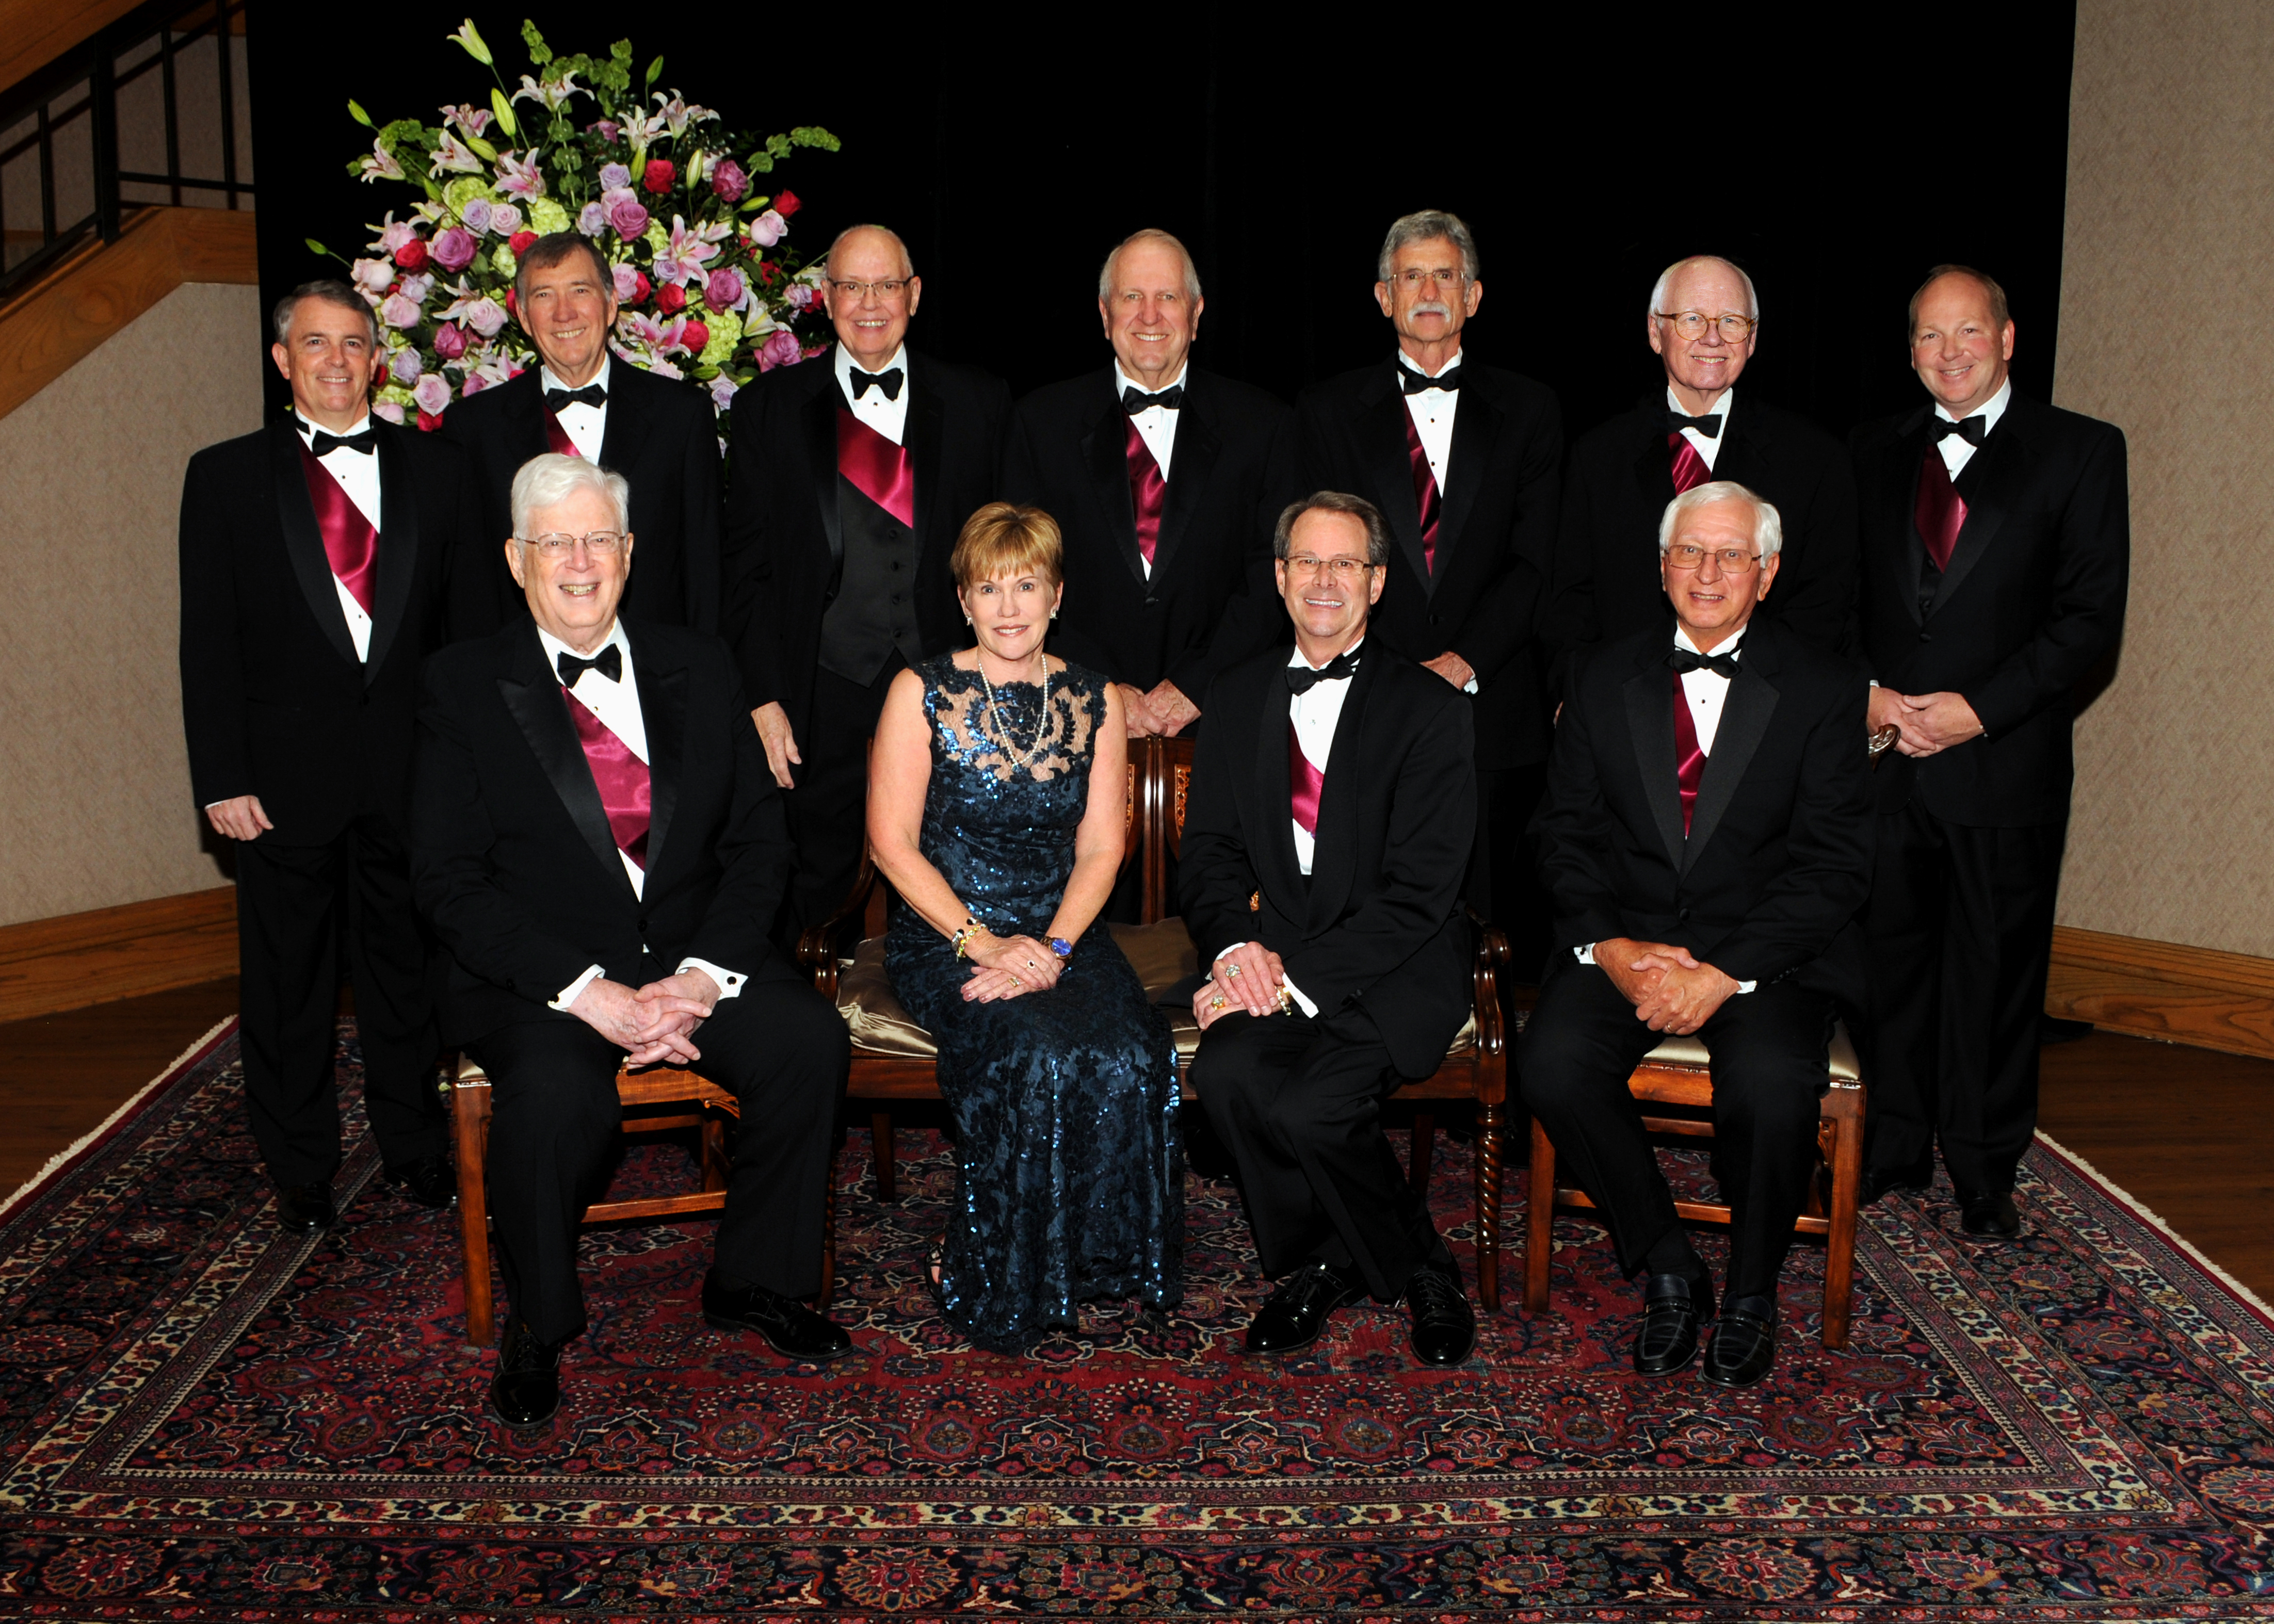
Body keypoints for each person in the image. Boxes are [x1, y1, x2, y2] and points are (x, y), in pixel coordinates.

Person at [410, 453, 851, 1428]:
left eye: (597, 538)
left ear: (630, 552)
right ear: (518, 560)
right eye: (555, 542)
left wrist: (701, 977)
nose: (579, 561)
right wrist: (589, 991)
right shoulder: (461, 683)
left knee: (807, 1043)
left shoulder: (702, 661)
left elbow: (757, 843)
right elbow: (446, 878)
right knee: (560, 1094)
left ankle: (753, 1278)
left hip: (695, 953)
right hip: (543, 976)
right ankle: (541, 1323)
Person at [1520, 481, 1872, 1387]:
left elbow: (1834, 865)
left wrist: (1725, 972)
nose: (1706, 573)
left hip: (1761, 953)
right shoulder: (1599, 672)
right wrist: (1610, 945)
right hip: (1630, 940)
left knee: (1765, 1078)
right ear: (1661, 565)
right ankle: (1668, 1260)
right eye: (1688, 552)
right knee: (1551, 1060)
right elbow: (1560, 832)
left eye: (1730, 556)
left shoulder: (1825, 685)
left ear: (1767, 573)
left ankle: (1751, 1290)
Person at [179, 278, 483, 1232]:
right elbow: (208, 638)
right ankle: (300, 1161)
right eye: (316, 345)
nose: (337, 362)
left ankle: (414, 1146)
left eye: (353, 344)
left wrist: (468, 768)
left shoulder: (438, 472)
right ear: (283, 362)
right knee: (287, 983)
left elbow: (464, 634)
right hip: (277, 782)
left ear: (375, 358)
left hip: (409, 773)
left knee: (404, 975)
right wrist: (221, 774)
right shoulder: (223, 476)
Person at [1852, 266, 2129, 1238]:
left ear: (2007, 338)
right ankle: (1891, 1146)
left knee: (1995, 970)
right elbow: (1831, 605)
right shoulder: (1872, 452)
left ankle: (1981, 1163)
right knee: (1888, 966)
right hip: (1886, 760)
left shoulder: (2082, 451)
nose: (1949, 352)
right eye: (1929, 336)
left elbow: (2087, 619)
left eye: (1967, 332)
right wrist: (1871, 698)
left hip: (2001, 760)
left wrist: (1978, 710)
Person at [867, 502, 1181, 1351]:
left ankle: (1091, 1260)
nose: (1009, 605)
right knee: (1030, 1050)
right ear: (963, 600)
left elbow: (1103, 848)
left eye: (1027, 585)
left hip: (1065, 930)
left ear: (1056, 594)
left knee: (1132, 1049)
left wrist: (1053, 946)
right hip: (946, 932)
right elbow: (892, 847)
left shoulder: (1093, 699)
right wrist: (983, 941)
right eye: (989, 587)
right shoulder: (919, 691)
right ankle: (990, 1263)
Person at [1182, 491, 1479, 1367]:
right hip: (1279, 958)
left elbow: (1421, 892)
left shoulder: (1431, 708)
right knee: (1229, 1073)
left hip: (1398, 964)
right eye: (1305, 561)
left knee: (1312, 1106)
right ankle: (1327, 1256)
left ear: (1377, 583)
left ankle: (1425, 1268)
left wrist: (1284, 977)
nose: (1323, 580)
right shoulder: (1235, 698)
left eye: (1345, 563)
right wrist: (1236, 951)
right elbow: (1208, 855)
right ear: (1278, 578)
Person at [723, 224, 1010, 940]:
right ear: (826, 299)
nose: (869, 302)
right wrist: (762, 695)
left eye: (886, 285)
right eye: (852, 286)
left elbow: (1012, 557)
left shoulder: (979, 404)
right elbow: (746, 570)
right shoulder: (768, 408)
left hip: (950, 686)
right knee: (816, 892)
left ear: (914, 295)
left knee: (957, 878)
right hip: (821, 690)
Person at [1294, 210, 1559, 961]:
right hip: (1364, 703)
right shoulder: (1325, 411)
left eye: (1445, 275)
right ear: (1383, 297)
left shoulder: (1530, 409)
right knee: (1366, 921)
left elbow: (1534, 563)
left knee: (1491, 941)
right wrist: (1392, 671)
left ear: (1473, 296)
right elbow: (1319, 564)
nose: (1429, 290)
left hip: (1494, 713)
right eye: (1411, 275)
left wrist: (1463, 663)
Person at [1001, 228, 1299, 743]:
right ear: (1104, 313)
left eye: (1168, 297)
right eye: (1132, 297)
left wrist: (1193, 687)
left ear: (1197, 313)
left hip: (1225, 726)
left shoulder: (1265, 426)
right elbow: (1020, 575)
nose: (1150, 315)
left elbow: (1274, 574)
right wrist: (1104, 687)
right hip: (1071, 722)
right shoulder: (1039, 423)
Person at [1554, 255, 1857, 652]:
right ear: (1655, 331)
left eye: (1731, 321)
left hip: (1767, 702)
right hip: (1621, 702)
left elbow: (1824, 606)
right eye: (1692, 318)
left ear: (1751, 340)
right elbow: (1569, 604)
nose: (1712, 338)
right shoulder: (1595, 457)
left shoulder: (1816, 459)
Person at [444, 233, 724, 634]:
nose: (564, 313)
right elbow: (469, 582)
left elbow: (705, 566)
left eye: (580, 290)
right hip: (521, 680)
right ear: (523, 317)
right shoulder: (474, 428)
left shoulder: (681, 415)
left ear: (610, 305)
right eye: (543, 296)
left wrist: (705, 678)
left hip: (658, 675)